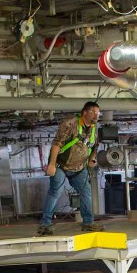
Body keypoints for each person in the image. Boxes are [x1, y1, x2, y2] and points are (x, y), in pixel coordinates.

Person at [37, 100, 104, 235]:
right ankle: (45, 224)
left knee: (86, 193)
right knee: (55, 191)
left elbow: (95, 146)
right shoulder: (70, 124)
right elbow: (57, 144)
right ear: (84, 112)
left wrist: (92, 159)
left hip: (78, 168)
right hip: (60, 165)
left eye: (98, 112)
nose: (96, 115)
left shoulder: (93, 128)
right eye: (93, 112)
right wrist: (51, 165)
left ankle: (88, 223)